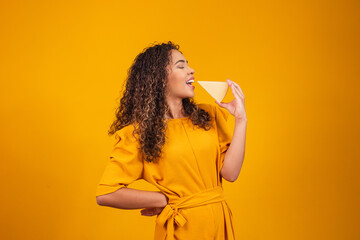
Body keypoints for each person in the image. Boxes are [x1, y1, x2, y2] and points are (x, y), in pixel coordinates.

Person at [95, 41, 247, 240]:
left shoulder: (208, 116)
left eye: (188, 65)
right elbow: (106, 193)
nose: (191, 70)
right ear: (160, 78)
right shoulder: (139, 134)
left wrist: (241, 120)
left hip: (220, 226)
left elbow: (231, 173)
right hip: (180, 230)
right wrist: (162, 199)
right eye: (181, 66)